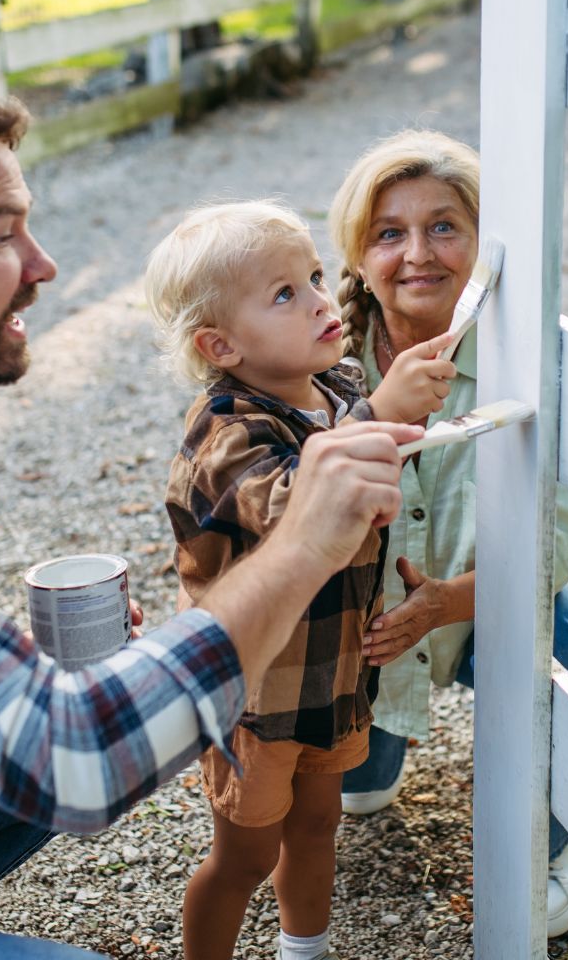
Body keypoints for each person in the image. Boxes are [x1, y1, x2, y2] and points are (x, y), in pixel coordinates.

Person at [0, 84, 420, 960]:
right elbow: (78, 761)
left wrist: (22, 675)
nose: (45, 265)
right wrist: (309, 539)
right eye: (3, 231)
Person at [144, 202, 450, 960]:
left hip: (334, 675)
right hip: (255, 694)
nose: (319, 299)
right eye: (284, 294)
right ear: (221, 343)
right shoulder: (227, 431)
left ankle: (302, 951)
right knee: (244, 856)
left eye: (313, 276)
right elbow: (294, 508)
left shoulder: (338, 388)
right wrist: (381, 413)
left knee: (318, 825)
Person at [327, 129, 568, 939]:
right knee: (360, 786)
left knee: (567, 632)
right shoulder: (320, 360)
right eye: (390, 233)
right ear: (358, 252)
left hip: (483, 594)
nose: (418, 253)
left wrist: (450, 601)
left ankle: (546, 843)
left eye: (444, 227)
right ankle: (365, 750)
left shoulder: (529, 355)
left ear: (483, 243)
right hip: (367, 631)